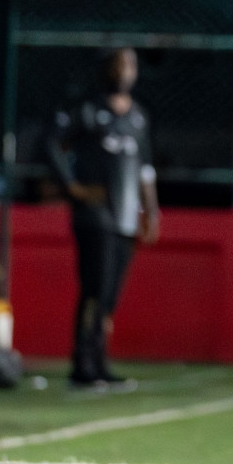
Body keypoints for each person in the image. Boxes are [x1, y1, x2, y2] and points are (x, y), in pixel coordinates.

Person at [46, 48, 160, 390]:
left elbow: (145, 168)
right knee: (95, 287)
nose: (125, 71)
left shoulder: (138, 116)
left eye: (130, 64)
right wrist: (72, 187)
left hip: (126, 216)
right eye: (119, 64)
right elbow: (52, 144)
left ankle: (99, 360)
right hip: (95, 216)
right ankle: (84, 363)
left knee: (110, 292)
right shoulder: (87, 110)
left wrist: (151, 210)